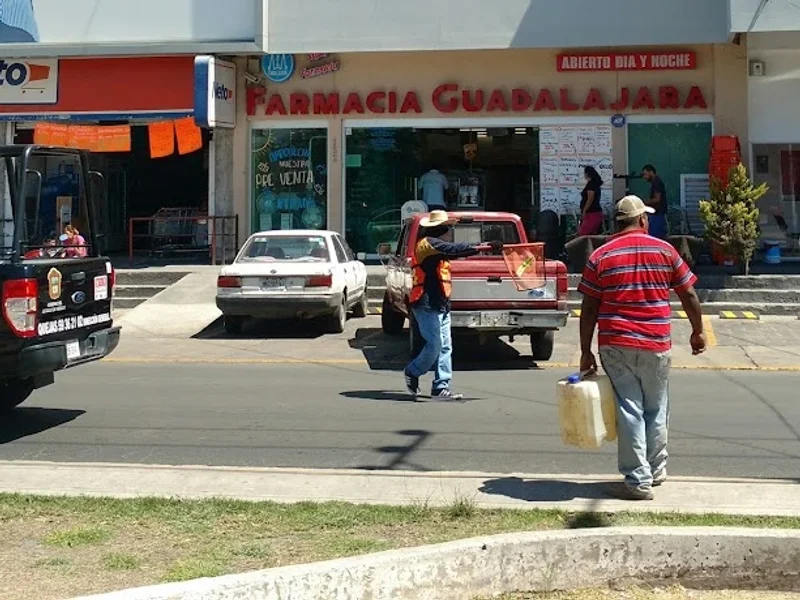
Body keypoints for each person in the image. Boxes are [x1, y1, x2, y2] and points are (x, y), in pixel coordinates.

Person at [577, 195, 706, 501]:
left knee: (630, 409)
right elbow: (688, 294)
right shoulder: (665, 250)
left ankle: (637, 480)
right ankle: (656, 471)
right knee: (656, 406)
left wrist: (585, 350)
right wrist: (697, 332)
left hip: (616, 343)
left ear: (617, 223)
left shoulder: (600, 256)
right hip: (656, 342)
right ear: (643, 220)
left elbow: (589, 308)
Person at [404, 210, 502, 400]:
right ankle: (413, 371)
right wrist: (484, 246)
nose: (451, 232)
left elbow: (456, 252)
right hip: (425, 303)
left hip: (440, 303)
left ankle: (441, 387)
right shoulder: (428, 244)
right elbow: (455, 249)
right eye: (448, 228)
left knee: (445, 347)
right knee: (434, 345)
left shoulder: (437, 247)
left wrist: (484, 248)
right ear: (441, 229)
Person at [641, 164, 668, 238]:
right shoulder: (655, 182)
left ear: (651, 172)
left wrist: (643, 203)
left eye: (645, 174)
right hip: (657, 214)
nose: (644, 177)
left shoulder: (656, 182)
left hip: (657, 214)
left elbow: (657, 199)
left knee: (655, 237)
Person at [578, 166, 604, 236]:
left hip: (591, 213)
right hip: (595, 212)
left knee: (583, 233)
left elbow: (590, 199)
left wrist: (584, 210)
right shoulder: (595, 184)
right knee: (592, 234)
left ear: (587, 174)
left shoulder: (591, 185)